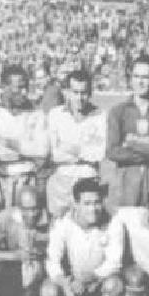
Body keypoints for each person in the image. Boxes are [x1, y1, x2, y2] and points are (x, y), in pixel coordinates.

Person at [40, 178, 124, 296]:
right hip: (72, 283)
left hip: (99, 280)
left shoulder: (113, 222)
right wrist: (65, 284)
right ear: (75, 204)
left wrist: (91, 277)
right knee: (48, 292)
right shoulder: (63, 223)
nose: (93, 209)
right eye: (87, 203)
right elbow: (52, 259)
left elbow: (115, 261)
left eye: (97, 202)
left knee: (115, 286)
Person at [0, 65, 50, 231]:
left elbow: (42, 150)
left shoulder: (36, 113)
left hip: (26, 178)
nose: (24, 92)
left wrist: (10, 143)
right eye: (19, 88)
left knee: (27, 229)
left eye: (26, 87)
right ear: (4, 87)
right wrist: (26, 149)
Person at [105, 54, 149, 212]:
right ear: (131, 78)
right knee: (123, 223)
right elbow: (112, 152)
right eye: (136, 76)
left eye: (146, 77)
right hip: (125, 178)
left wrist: (131, 143)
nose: (140, 82)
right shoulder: (118, 111)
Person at [46, 70, 106, 220]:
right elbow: (54, 153)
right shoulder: (55, 115)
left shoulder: (100, 115)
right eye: (75, 92)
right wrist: (85, 151)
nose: (79, 98)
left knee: (88, 227)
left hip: (88, 179)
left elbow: (99, 153)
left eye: (84, 93)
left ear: (90, 93)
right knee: (58, 226)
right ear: (67, 92)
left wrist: (69, 148)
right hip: (61, 180)